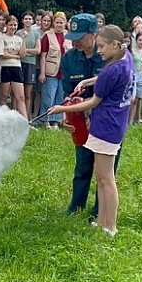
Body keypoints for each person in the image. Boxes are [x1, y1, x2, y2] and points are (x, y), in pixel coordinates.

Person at [47, 25, 134, 238]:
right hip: (114, 124)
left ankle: (111, 226)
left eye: (102, 46)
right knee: (102, 177)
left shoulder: (112, 70)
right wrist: (88, 80)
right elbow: (104, 78)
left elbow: (92, 102)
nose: (99, 50)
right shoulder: (126, 58)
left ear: (115, 44)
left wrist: (61, 109)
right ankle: (101, 219)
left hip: (106, 127)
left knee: (107, 179)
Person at [58, 13, 112, 221]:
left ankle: (100, 210)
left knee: (104, 169)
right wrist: (66, 115)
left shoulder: (109, 55)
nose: (75, 41)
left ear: (94, 34)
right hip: (81, 120)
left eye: (80, 36)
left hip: (106, 120)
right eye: (73, 36)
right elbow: (67, 93)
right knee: (82, 165)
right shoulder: (70, 58)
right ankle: (76, 206)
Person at [39, 11, 67, 129]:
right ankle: (46, 120)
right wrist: (42, 72)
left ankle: (56, 120)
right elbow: (43, 55)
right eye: (57, 22)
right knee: (49, 96)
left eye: (61, 23)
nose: (59, 25)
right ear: (53, 23)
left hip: (64, 72)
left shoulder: (68, 35)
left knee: (60, 96)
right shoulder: (47, 35)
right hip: (50, 71)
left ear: (65, 23)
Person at [0, 15, 27, 117]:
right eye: (10, 25)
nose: (13, 27)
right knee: (4, 96)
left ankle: (26, 120)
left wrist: (23, 39)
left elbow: (22, 54)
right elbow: (3, 54)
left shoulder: (18, 39)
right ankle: (2, 118)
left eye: (15, 25)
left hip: (17, 68)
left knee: (21, 96)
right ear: (6, 25)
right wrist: (16, 56)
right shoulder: (1, 36)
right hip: (4, 67)